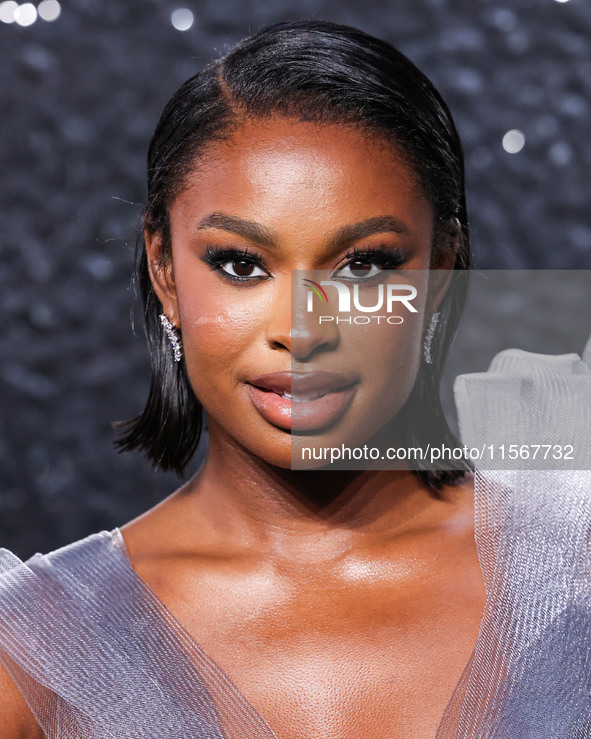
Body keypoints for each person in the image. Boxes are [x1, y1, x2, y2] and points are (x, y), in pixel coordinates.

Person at [1, 20, 590, 739]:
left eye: (364, 265)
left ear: (442, 269)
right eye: (241, 263)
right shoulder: (35, 652)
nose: (304, 329)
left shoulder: (572, 565)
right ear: (163, 270)